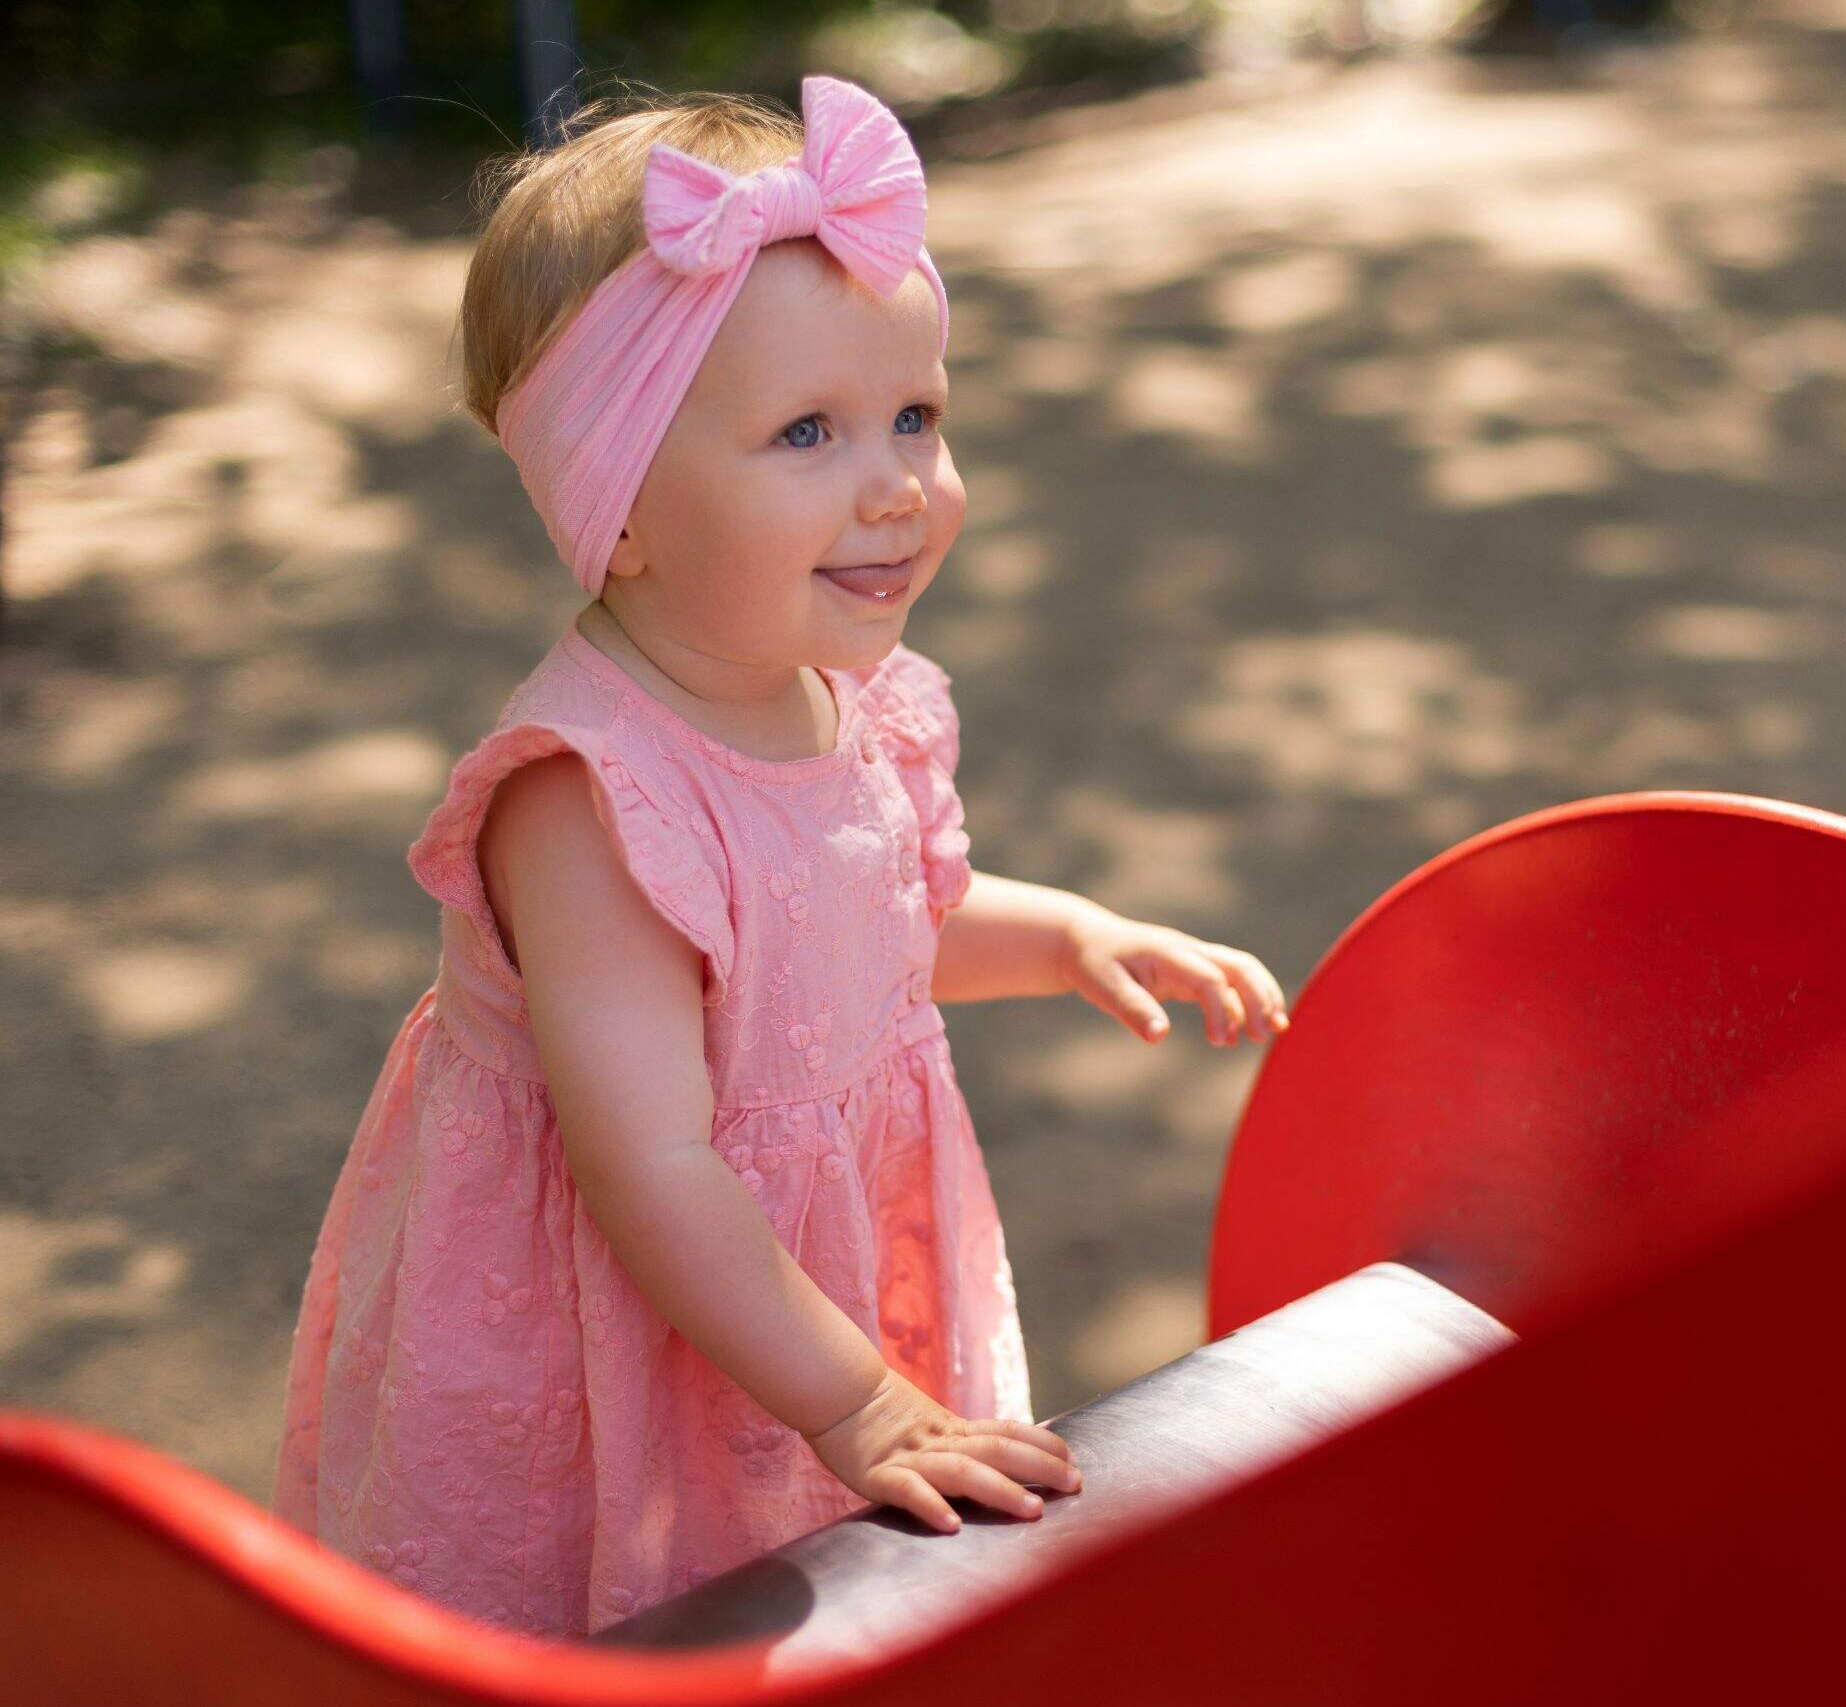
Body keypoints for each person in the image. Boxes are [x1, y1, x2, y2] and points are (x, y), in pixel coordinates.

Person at [268, 73, 1291, 1639]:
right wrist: (856, 1404)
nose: (895, 483)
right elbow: (649, 1159)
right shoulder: (591, 801)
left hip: (790, 1305)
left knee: (813, 1588)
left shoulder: (843, 699)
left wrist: (1065, 931)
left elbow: (859, 930)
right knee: (634, 1606)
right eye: (806, 431)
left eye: (917, 418)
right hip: (635, 1323)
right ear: (617, 514)